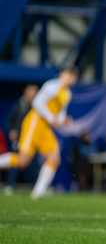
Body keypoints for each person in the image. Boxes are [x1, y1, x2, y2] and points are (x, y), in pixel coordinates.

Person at [0, 68, 78, 199]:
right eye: (68, 74)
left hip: (45, 127)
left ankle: (38, 192)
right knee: (23, 160)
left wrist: (62, 120)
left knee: (54, 158)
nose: (70, 78)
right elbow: (37, 103)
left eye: (73, 76)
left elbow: (59, 115)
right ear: (62, 74)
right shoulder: (52, 86)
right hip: (35, 123)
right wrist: (52, 119)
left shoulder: (67, 94)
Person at [4, 84, 38, 195]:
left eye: (34, 92)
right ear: (26, 92)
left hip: (32, 139)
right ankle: (9, 185)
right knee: (17, 161)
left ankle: (36, 187)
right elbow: (9, 120)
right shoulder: (19, 105)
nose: (32, 94)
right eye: (30, 92)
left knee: (35, 163)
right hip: (19, 138)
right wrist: (12, 130)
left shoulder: (37, 106)